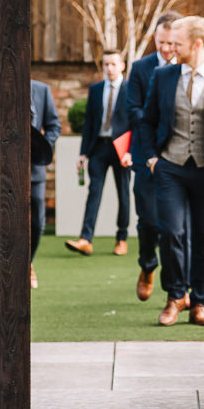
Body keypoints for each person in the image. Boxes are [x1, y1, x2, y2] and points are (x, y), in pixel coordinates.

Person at [138, 15, 204, 327]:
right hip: (170, 167)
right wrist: (151, 158)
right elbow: (146, 122)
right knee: (171, 232)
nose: (171, 48)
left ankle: (200, 302)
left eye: (178, 43)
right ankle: (175, 297)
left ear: (197, 44)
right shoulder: (163, 76)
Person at [124, 11, 184, 302]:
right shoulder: (140, 68)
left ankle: (176, 286)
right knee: (148, 221)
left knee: (174, 228)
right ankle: (147, 266)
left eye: (172, 43)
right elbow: (133, 111)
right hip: (146, 154)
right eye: (161, 42)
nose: (166, 49)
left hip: (180, 158)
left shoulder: (188, 68)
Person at [66, 48, 133, 256]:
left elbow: (136, 123)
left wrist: (130, 151)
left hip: (121, 149)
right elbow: (89, 123)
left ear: (122, 66)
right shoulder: (95, 89)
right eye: (106, 64)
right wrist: (83, 153)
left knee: (123, 194)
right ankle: (86, 239)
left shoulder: (131, 89)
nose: (109, 68)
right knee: (94, 191)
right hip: (98, 148)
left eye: (113, 64)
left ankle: (121, 239)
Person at [28, 77, 63, 289]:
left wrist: (41, 147)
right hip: (3, 167)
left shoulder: (41, 90)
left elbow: (54, 125)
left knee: (37, 222)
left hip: (34, 169)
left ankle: (28, 263)